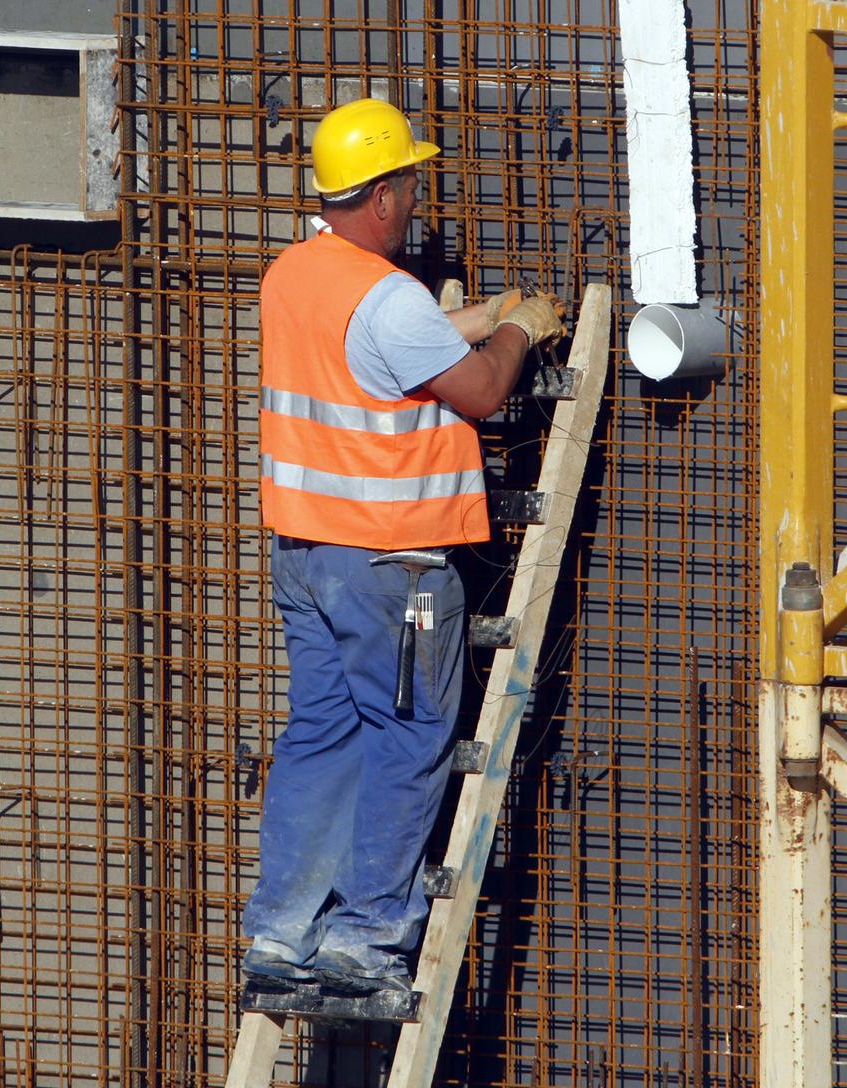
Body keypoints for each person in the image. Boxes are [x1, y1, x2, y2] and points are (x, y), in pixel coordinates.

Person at [243, 98, 565, 996]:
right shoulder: (387, 299)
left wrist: (468, 320)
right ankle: (367, 939)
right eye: (412, 181)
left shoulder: (294, 276)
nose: (417, 198)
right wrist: (517, 328)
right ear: (382, 194)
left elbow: (373, 357)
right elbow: (481, 392)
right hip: (400, 568)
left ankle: (279, 934)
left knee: (321, 734)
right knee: (412, 736)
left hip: (308, 558)